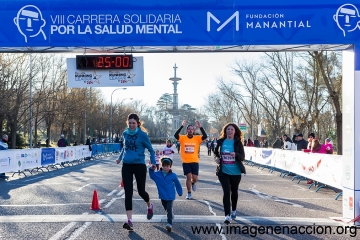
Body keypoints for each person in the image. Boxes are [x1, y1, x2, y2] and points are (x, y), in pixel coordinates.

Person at [116, 113, 156, 231]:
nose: (131, 125)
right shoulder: (125, 133)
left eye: (133, 123)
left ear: (137, 123)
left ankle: (149, 205)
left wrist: (153, 162)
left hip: (139, 165)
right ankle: (129, 221)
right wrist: (119, 157)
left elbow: (151, 150)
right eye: (130, 123)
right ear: (127, 123)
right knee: (128, 193)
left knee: (141, 191)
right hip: (127, 165)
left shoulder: (143, 135)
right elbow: (124, 147)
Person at [214, 123, 246, 224]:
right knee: (226, 192)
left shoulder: (237, 142)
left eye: (232, 129)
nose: (230, 131)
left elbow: (242, 157)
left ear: (235, 131)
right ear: (225, 131)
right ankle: (227, 215)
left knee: (234, 191)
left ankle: (234, 210)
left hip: (236, 172)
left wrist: (235, 154)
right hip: (223, 171)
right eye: (228, 129)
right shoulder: (220, 142)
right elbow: (216, 153)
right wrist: (217, 158)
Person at [174, 120, 207, 200]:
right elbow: (175, 135)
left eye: (192, 129)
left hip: (195, 161)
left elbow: (205, 136)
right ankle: (189, 193)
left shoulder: (197, 138)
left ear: (194, 130)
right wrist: (182, 126)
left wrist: (201, 127)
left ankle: (193, 183)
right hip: (186, 162)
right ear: (187, 130)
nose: (190, 130)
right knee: (188, 177)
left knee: (195, 178)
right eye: (189, 129)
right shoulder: (182, 138)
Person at [149, 157, 182, 232]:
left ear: (170, 166)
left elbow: (177, 184)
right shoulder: (158, 175)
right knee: (166, 208)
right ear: (162, 166)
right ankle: (170, 215)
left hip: (170, 195)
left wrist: (179, 192)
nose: (165, 167)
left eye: (167, 166)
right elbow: (151, 175)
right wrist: (151, 169)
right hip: (162, 195)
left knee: (169, 209)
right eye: (164, 166)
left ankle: (169, 223)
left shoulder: (173, 175)